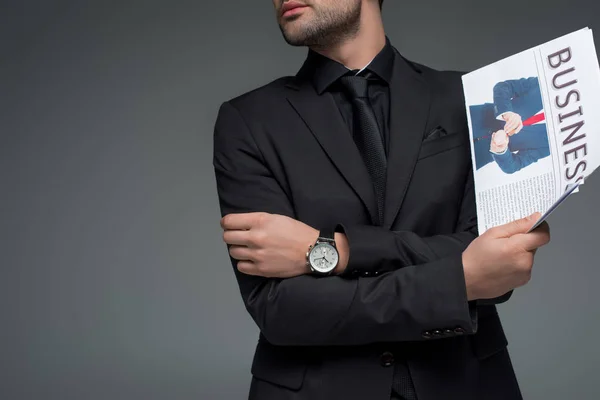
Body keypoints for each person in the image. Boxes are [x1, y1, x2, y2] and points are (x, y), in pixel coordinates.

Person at [212, 1, 550, 399]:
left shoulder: (466, 95)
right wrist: (458, 279)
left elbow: (501, 263)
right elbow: (282, 309)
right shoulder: (248, 120)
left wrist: (338, 252)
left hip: (465, 383)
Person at [470, 77, 551, 174]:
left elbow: (513, 166)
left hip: (478, 156)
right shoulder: (551, 84)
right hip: (472, 118)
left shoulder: (559, 140)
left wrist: (501, 151)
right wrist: (506, 112)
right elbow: (503, 87)